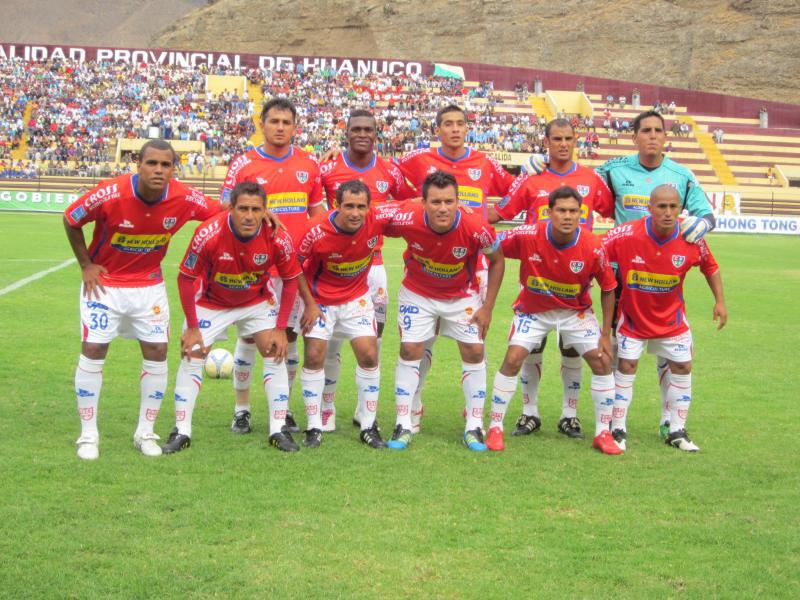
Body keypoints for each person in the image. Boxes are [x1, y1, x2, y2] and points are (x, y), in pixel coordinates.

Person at [63, 139, 221, 460]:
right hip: (104, 285)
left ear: (173, 168)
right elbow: (71, 218)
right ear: (139, 164)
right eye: (152, 163)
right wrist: (86, 265)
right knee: (93, 349)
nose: (159, 170)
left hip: (149, 285)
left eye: (166, 165)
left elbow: (221, 214)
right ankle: (88, 435)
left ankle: (145, 432)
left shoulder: (184, 197)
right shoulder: (111, 193)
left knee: (158, 352)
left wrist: (262, 213)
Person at [163, 182, 321, 454]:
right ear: (231, 209)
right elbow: (185, 278)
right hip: (211, 302)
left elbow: (291, 279)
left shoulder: (277, 236)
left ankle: (277, 428)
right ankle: (182, 430)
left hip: (256, 301)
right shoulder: (208, 233)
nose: (249, 216)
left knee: (275, 351)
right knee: (193, 353)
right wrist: (191, 326)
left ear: (265, 211)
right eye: (243, 209)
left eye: (256, 209)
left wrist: (281, 328)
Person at [488, 118, 614, 440]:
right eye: (556, 138)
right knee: (532, 348)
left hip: (577, 277)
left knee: (573, 349)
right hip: (538, 273)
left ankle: (569, 416)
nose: (562, 143)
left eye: (568, 138)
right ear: (545, 140)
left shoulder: (591, 179)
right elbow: (498, 215)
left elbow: (619, 212)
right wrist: (518, 175)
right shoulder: (531, 177)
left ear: (576, 141)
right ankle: (529, 414)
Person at [594, 110, 716, 438]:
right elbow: (580, 187)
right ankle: (613, 421)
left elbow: (706, 213)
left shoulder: (681, 174)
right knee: (620, 351)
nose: (651, 136)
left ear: (665, 137)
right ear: (634, 136)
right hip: (622, 276)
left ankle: (669, 421)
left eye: (657, 130)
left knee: (669, 352)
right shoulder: (613, 169)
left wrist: (701, 223)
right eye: (645, 130)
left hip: (662, 274)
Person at [393, 104, 515, 432]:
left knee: (475, 345)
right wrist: (409, 199)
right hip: (427, 267)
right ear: (439, 129)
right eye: (448, 124)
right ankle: (411, 409)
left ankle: (472, 416)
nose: (455, 129)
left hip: (471, 270)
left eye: (461, 123)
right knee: (420, 343)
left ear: (468, 127)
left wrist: (493, 216)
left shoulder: (485, 162)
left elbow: (513, 192)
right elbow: (385, 170)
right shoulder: (419, 158)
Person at [220, 98, 324, 436]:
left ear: (295, 127)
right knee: (249, 337)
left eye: (286, 122)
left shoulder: (309, 164)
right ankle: (242, 409)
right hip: (254, 268)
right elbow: (225, 209)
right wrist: (261, 214)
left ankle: (285, 407)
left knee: (288, 337)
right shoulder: (244, 164)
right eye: (274, 121)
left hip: (293, 269)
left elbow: (317, 214)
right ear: (261, 125)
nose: (280, 127)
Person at [382, 171, 504, 452]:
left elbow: (497, 261)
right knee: (410, 349)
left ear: (457, 201)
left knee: (474, 352)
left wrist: (487, 307)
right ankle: (404, 421)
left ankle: (474, 425)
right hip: (418, 293)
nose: (443, 208)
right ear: (422, 201)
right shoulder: (406, 216)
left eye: (449, 201)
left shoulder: (476, 227)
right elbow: (370, 214)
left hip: (462, 296)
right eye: (435, 202)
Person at [603, 185, 727, 452]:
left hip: (672, 322)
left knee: (682, 368)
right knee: (626, 367)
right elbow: (595, 253)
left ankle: (677, 430)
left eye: (673, 207)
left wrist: (720, 301)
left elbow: (711, 267)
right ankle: (618, 428)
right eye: (661, 206)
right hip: (633, 319)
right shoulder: (626, 234)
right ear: (650, 208)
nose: (668, 212)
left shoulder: (690, 237)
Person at [318, 110, 416, 431]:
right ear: (346, 133)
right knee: (330, 341)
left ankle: (364, 410)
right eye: (356, 129)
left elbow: (410, 205)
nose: (362, 134)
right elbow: (309, 201)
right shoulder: (328, 167)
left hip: (373, 269)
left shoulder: (390, 171)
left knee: (372, 341)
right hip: (334, 266)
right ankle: (326, 408)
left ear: (377, 134)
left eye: (368, 130)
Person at [295, 180, 405, 449]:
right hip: (320, 301)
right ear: (336, 205)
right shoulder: (316, 230)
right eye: (349, 206)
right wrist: (309, 304)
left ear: (370, 207)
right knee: (314, 356)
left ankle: (368, 424)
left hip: (357, 298)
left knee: (369, 354)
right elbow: (294, 266)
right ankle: (313, 425)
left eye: (361, 207)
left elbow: (411, 205)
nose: (355, 213)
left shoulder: (377, 217)